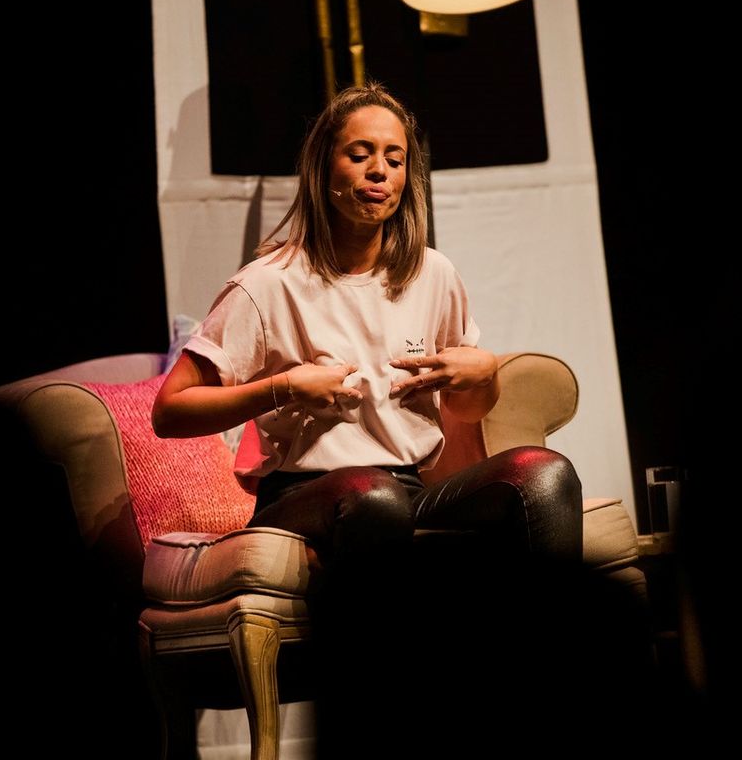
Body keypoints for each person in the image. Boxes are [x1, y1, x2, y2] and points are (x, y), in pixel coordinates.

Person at [152, 82, 585, 755]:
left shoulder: (432, 274)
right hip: (302, 494)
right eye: (359, 154)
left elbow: (463, 413)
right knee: (373, 497)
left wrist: (481, 379)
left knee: (544, 476)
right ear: (323, 168)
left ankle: (547, 707)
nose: (379, 170)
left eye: (394, 157)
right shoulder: (268, 284)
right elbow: (171, 411)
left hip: (408, 486)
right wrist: (281, 386)